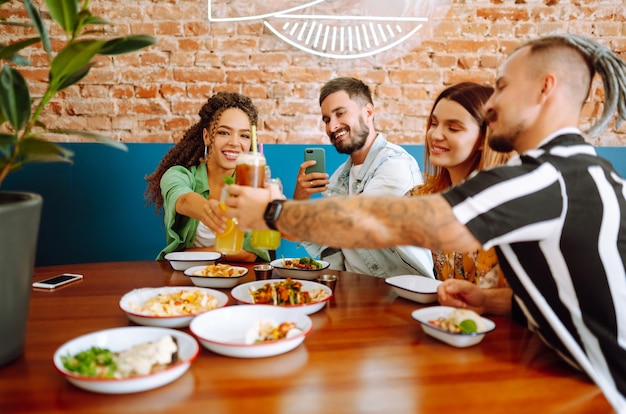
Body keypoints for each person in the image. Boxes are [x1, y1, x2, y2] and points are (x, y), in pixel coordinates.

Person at [222, 34, 626, 411]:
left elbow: (417, 223)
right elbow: (574, 296)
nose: (490, 105)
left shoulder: (545, 178)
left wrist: (275, 212)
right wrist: (489, 300)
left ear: (545, 88)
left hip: (606, 392)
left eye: (502, 86)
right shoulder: (582, 174)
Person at [292, 77, 434, 278]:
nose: (332, 127)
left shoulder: (395, 164)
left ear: (368, 112)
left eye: (340, 113)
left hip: (401, 295)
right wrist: (300, 200)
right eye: (326, 119)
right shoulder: (338, 179)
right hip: (355, 292)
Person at [145, 92, 270, 262]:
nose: (234, 142)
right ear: (206, 137)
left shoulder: (254, 186)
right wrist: (207, 211)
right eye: (224, 133)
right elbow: (184, 201)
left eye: (244, 135)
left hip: (238, 279)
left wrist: (187, 254)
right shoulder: (177, 175)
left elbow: (250, 254)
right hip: (186, 281)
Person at [408, 82, 512, 288]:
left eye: (453, 128)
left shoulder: (504, 209)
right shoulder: (421, 197)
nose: (435, 135)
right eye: (434, 123)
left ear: (484, 139)